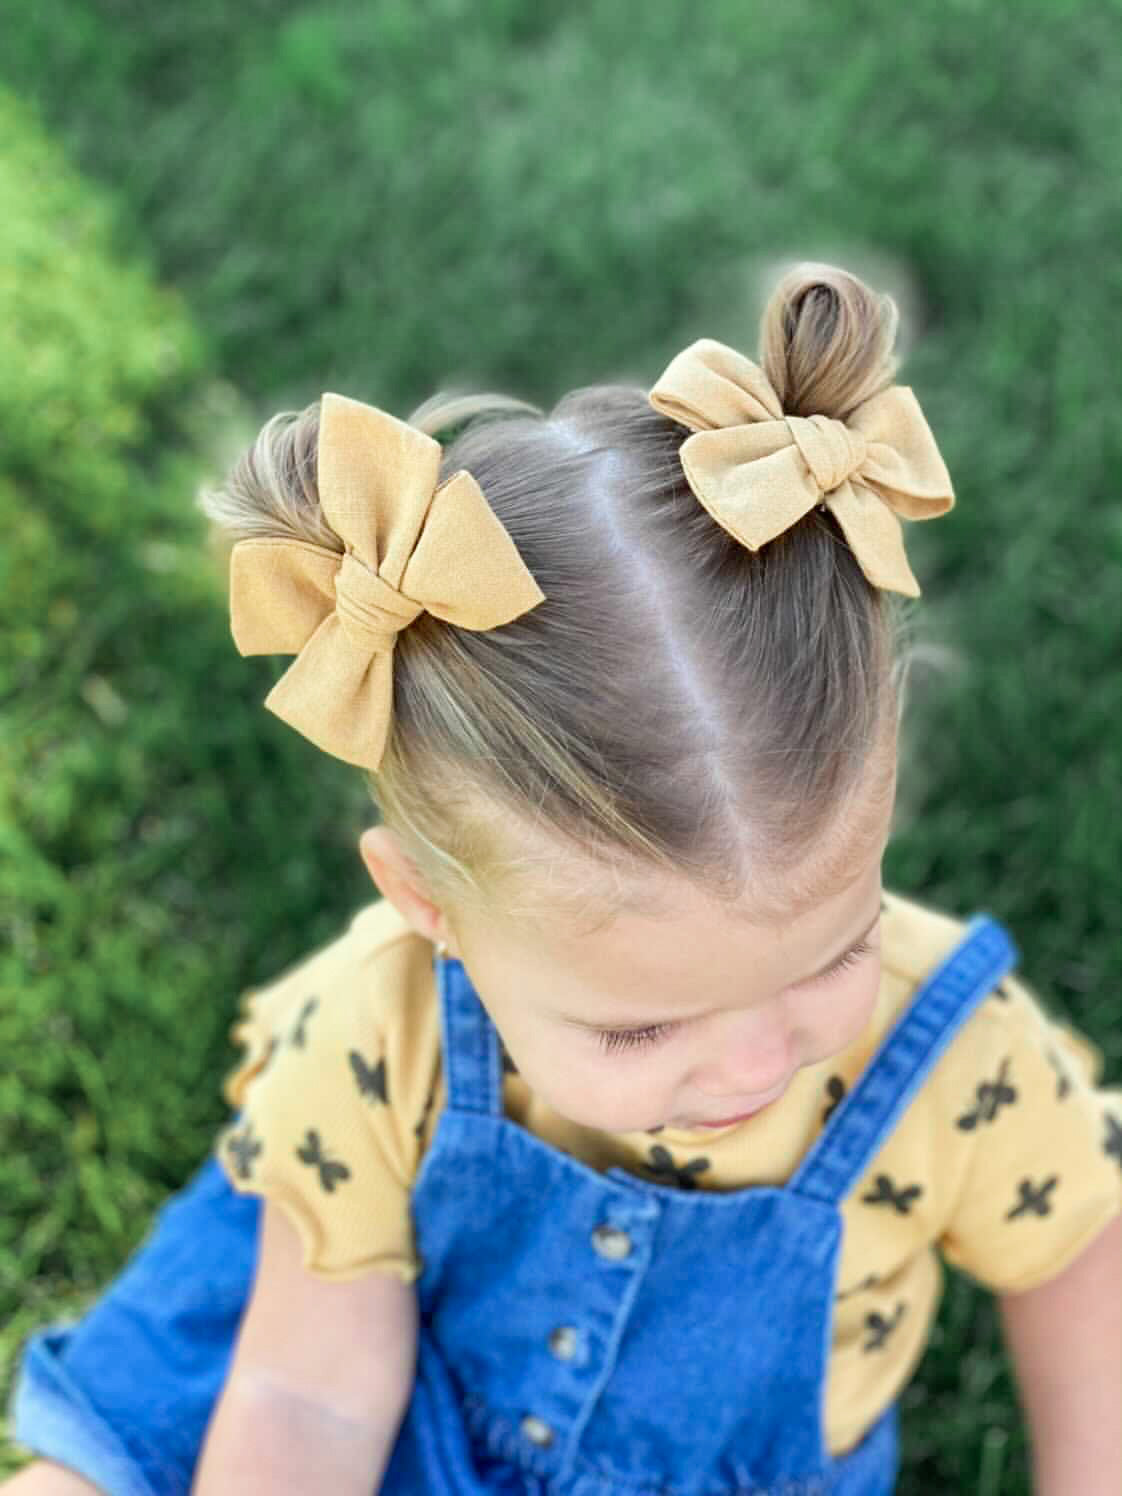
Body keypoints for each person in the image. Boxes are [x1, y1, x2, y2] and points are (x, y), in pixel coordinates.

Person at [5, 262, 1120, 1496]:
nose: (756, 1065)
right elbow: (309, 1393)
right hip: (396, 1370)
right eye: (640, 1021)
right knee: (145, 1430)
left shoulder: (956, 1056)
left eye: (835, 949)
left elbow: (1083, 1250)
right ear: (427, 905)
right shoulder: (381, 1029)